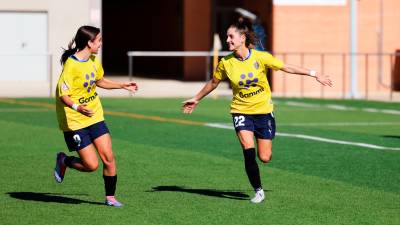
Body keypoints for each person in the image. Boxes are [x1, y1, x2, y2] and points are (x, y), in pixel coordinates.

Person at [182, 20, 332, 204]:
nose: (227, 40)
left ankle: (263, 162)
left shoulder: (261, 57)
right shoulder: (226, 63)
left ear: (242, 38)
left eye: (231, 36)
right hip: (240, 111)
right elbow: (214, 82)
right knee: (247, 149)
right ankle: (258, 190)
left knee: (265, 157)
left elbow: (286, 67)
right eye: (227, 36)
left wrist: (314, 73)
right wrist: (196, 98)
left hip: (263, 111)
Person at [54, 25, 138, 207]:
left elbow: (99, 81)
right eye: (98, 40)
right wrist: (78, 107)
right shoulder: (71, 65)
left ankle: (110, 197)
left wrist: (122, 85)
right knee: (91, 165)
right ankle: (64, 160)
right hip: (74, 120)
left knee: (108, 156)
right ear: (89, 42)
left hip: (95, 115)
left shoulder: (93, 60)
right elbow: (63, 95)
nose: (100, 43)